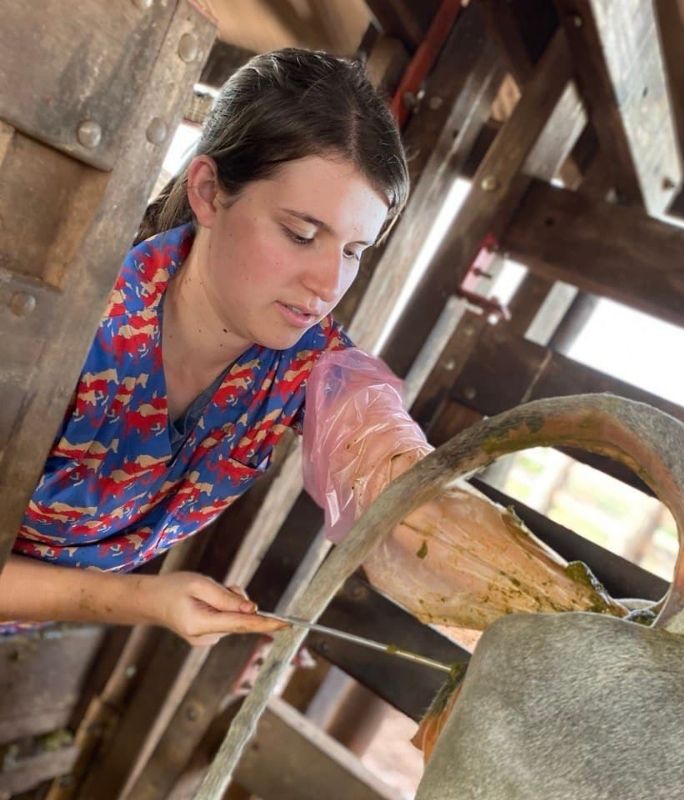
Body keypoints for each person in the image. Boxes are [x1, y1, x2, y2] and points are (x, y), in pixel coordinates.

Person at [0, 50, 621, 646]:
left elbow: (409, 492)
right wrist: (142, 600)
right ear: (209, 192)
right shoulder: (60, 318)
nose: (327, 285)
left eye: (353, 252)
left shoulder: (310, 363)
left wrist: (589, 622)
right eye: (301, 234)